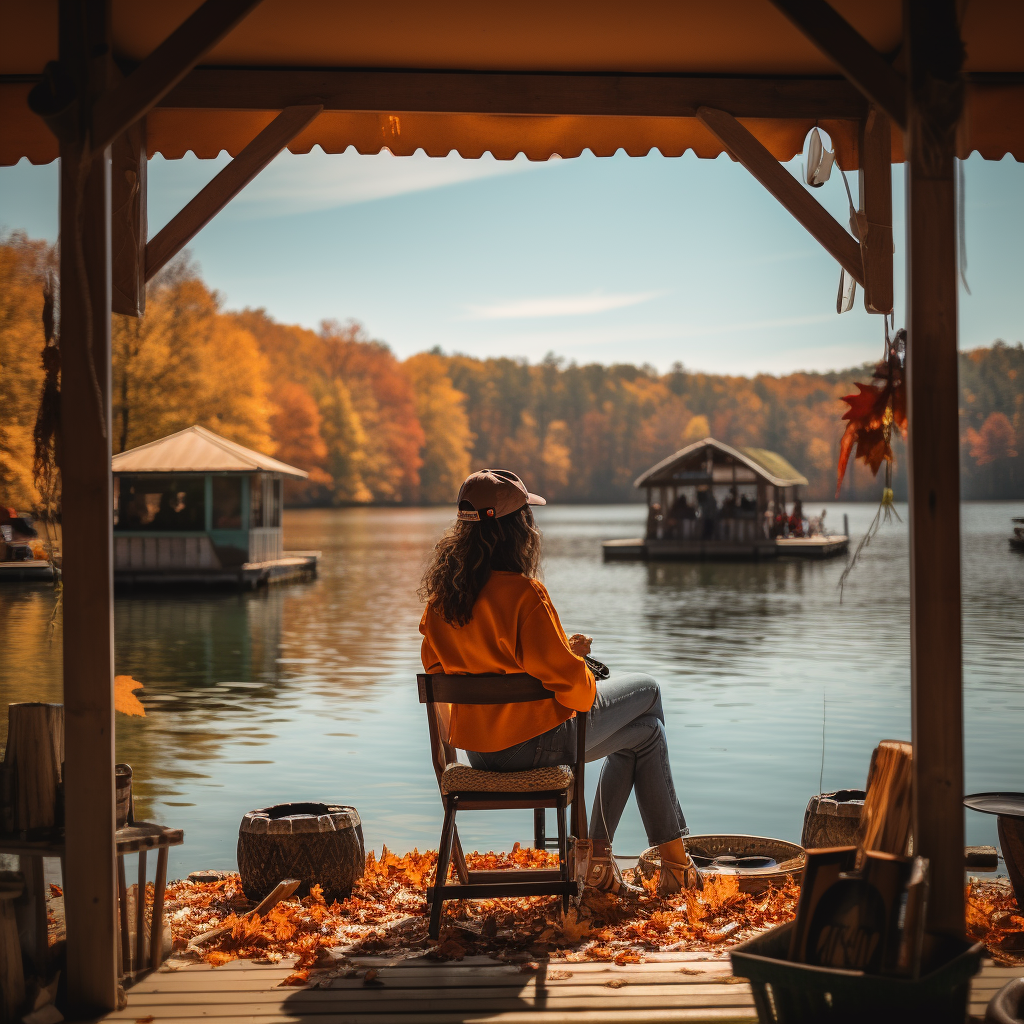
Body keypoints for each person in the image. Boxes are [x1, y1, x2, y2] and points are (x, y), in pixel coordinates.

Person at [419, 469, 702, 898]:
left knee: (645, 735)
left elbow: (454, 675)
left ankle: (613, 867)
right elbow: (580, 694)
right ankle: (666, 868)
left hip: (479, 754)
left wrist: (551, 658)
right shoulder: (525, 596)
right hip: (536, 748)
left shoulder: (440, 605)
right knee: (649, 691)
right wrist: (576, 660)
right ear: (515, 530)